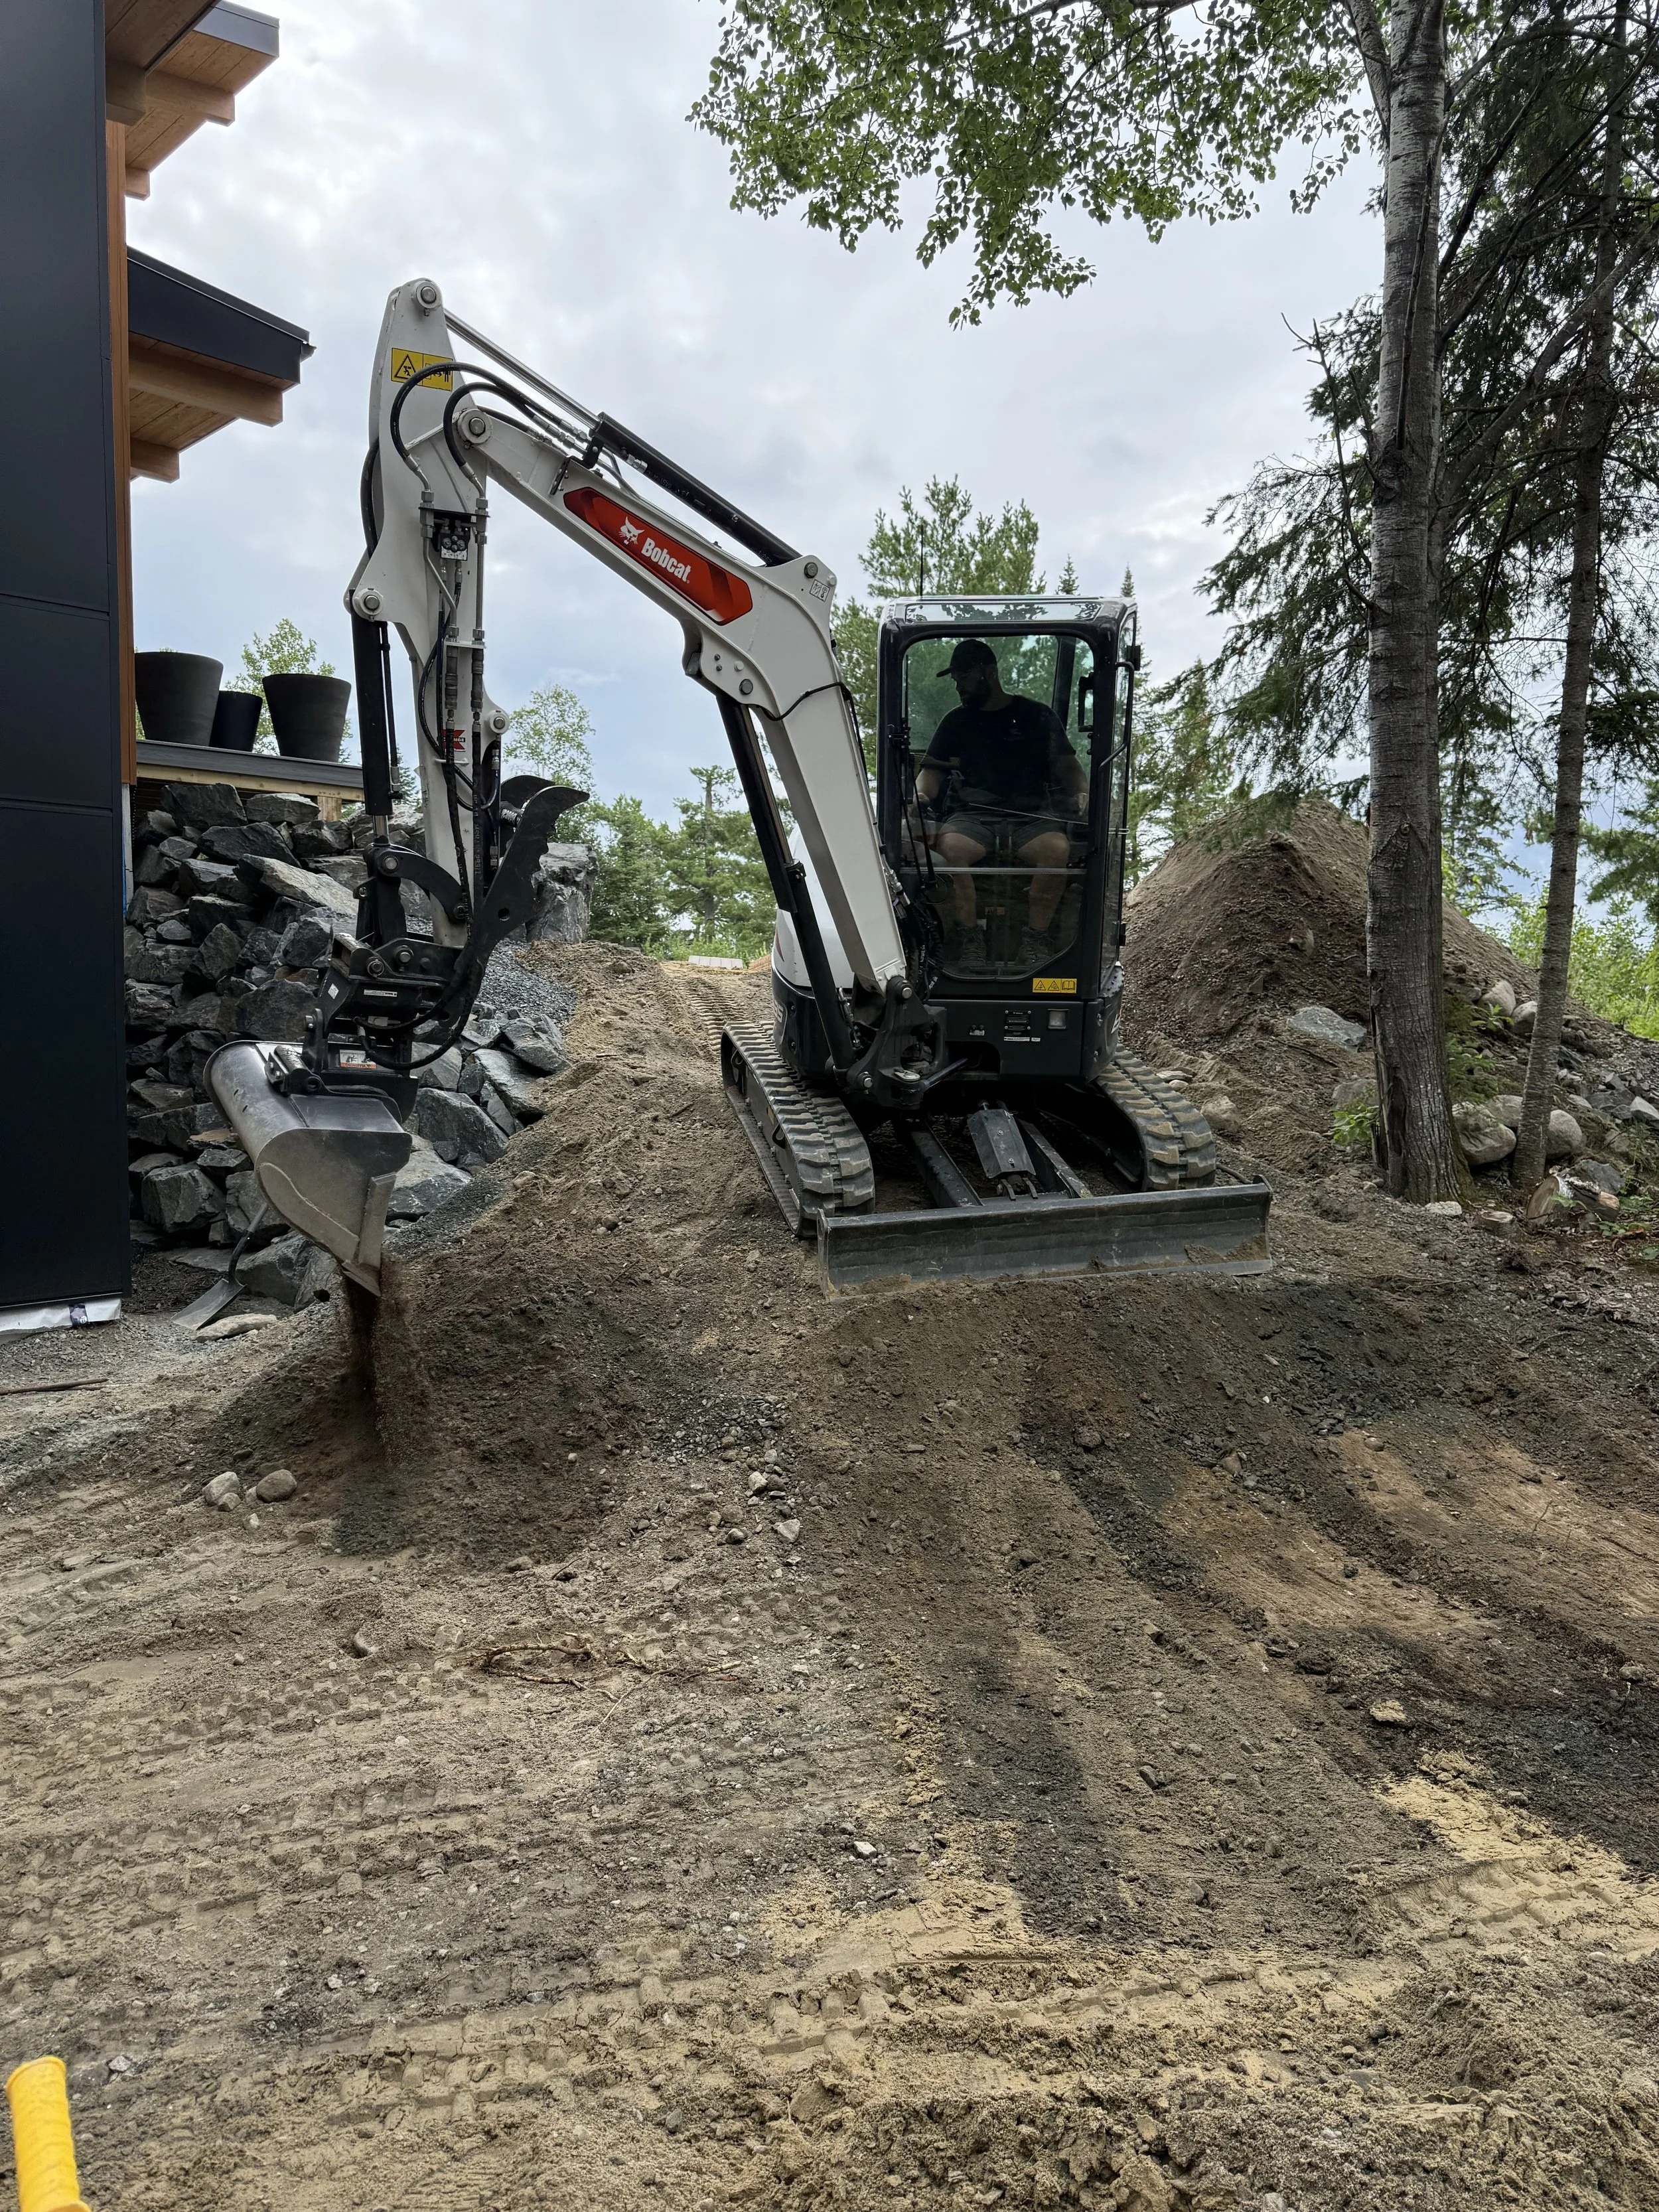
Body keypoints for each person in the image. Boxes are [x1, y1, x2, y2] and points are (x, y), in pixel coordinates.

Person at [912, 637, 1086, 970]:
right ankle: (970, 938)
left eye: (963, 676)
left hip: (1032, 818)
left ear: (988, 672)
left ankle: (1034, 940)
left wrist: (1083, 791)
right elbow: (929, 775)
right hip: (970, 817)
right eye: (955, 679)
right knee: (952, 849)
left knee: (1056, 851)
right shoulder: (955, 722)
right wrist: (919, 795)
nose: (958, 685)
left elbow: (1070, 768)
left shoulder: (1037, 716)